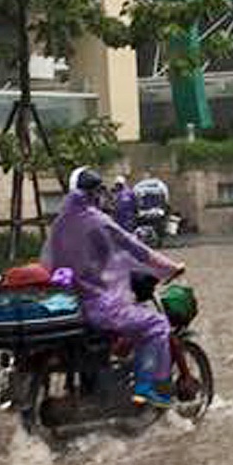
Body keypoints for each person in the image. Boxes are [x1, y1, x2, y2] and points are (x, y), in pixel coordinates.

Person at [43, 167, 186, 408]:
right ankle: (146, 389)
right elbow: (136, 249)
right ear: (96, 193)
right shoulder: (97, 220)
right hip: (97, 306)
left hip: (66, 304)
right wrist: (171, 267)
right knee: (157, 324)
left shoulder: (59, 224)